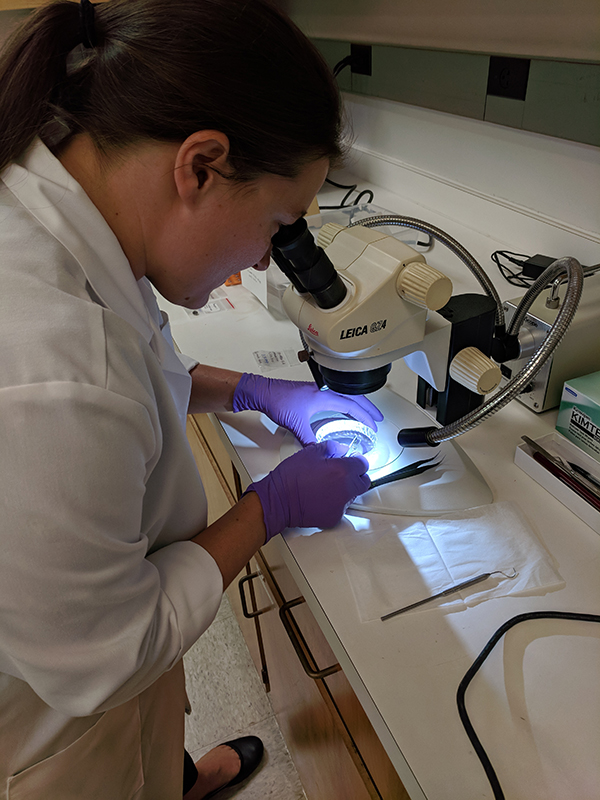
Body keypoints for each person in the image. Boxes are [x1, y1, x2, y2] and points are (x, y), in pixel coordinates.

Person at [0, 1, 382, 798]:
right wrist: (268, 508)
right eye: (278, 226)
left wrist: (245, 387)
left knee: (153, 748)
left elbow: (128, 376)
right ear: (200, 165)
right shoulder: (51, 364)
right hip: (51, 723)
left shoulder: (55, 200)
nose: (261, 262)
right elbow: (111, 653)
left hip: (63, 628)